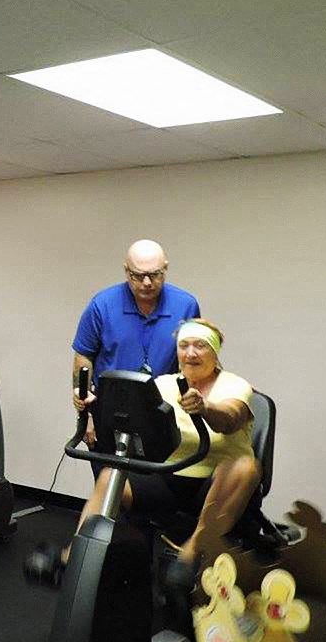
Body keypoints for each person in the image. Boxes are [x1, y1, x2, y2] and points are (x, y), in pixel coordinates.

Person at [40, 319, 260, 588]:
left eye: (200, 346)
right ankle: (72, 559)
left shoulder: (234, 385)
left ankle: (192, 552)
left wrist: (205, 408)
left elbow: (231, 417)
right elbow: (131, 420)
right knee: (110, 477)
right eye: (184, 346)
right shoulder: (164, 385)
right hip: (168, 478)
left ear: (214, 353)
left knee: (246, 466)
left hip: (216, 484)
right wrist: (89, 405)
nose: (191, 353)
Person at [72, 239, 200, 450]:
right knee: (108, 478)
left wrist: (224, 381)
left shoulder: (186, 305)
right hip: (109, 412)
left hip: (161, 412)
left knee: (151, 481)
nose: (147, 282)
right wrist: (85, 415)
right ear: (126, 270)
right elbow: (83, 357)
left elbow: (197, 356)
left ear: (165, 268)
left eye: (155, 274)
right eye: (138, 275)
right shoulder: (102, 305)